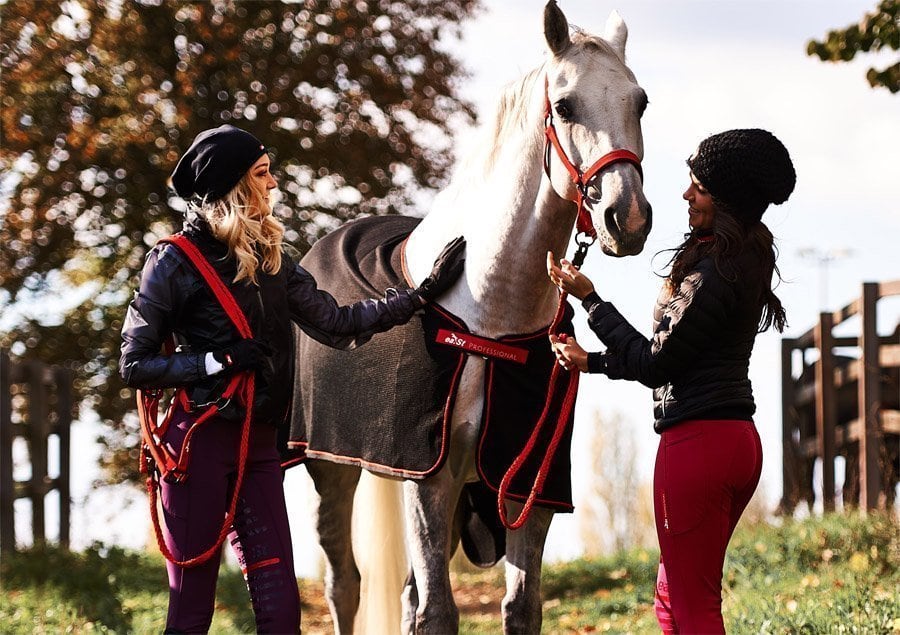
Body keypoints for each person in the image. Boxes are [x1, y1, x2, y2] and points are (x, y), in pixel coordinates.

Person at [119, 124, 465, 633]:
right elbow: (134, 364)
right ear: (234, 186)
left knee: (281, 615)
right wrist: (219, 361)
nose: (275, 184)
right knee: (190, 614)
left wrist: (419, 294)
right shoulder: (172, 262)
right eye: (263, 175)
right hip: (199, 447)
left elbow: (339, 323)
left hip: (260, 449)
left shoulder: (271, 259)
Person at [547, 129, 795, 633]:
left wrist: (590, 301)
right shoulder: (740, 258)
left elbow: (658, 364)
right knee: (672, 599)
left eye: (699, 187)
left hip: (697, 447)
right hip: (731, 442)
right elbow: (673, 361)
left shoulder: (713, 276)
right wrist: (589, 362)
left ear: (726, 199)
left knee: (692, 607)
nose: (686, 195)